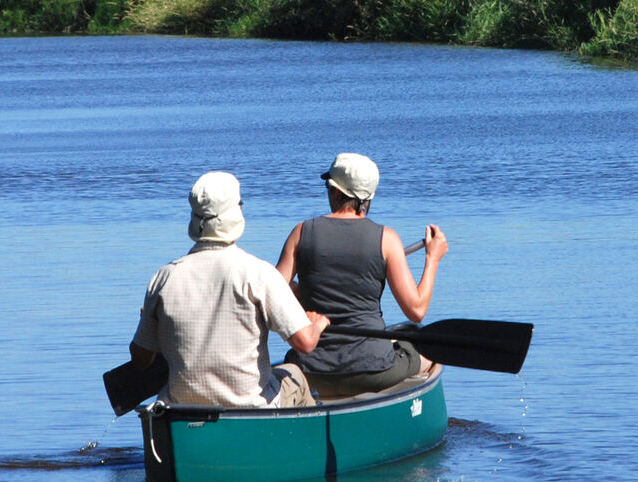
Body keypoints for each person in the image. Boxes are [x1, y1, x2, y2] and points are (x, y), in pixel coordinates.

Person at [127, 171, 327, 408]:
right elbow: (305, 343)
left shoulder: (164, 278)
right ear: (236, 214)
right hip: (251, 408)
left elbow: (140, 360)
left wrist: (151, 323)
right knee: (295, 374)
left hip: (180, 408)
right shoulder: (258, 273)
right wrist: (317, 325)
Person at [275, 152, 449, 397]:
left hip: (310, 369)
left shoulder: (301, 232)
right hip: (373, 369)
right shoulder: (387, 240)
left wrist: (300, 291)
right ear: (368, 198)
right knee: (431, 351)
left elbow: (272, 294)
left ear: (336, 192)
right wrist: (432, 258)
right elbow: (416, 310)